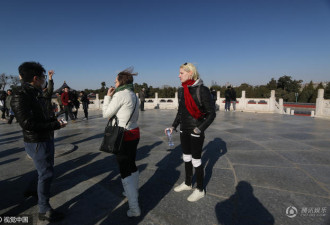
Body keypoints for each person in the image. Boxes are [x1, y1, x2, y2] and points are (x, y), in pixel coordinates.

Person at [11, 61, 66, 222]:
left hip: (45, 137)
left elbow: (41, 113)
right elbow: (27, 124)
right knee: (46, 173)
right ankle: (44, 209)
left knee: (43, 169)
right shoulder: (20, 95)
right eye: (43, 77)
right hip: (37, 141)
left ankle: (31, 189)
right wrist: (55, 124)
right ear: (35, 78)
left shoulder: (36, 92)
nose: (43, 79)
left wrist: (53, 120)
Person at [165, 63, 216, 202]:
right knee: (186, 158)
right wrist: (173, 126)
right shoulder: (182, 90)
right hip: (184, 129)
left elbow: (212, 114)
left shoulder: (202, 90)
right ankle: (188, 183)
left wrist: (199, 129)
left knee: (196, 160)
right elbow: (180, 111)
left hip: (196, 130)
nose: (178, 75)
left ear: (190, 73)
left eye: (181, 73)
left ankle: (200, 189)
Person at [102, 68, 141, 217]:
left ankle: (134, 207)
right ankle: (133, 191)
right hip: (134, 133)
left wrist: (107, 97)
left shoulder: (120, 95)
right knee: (131, 164)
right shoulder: (134, 95)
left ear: (121, 81)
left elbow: (106, 114)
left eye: (116, 80)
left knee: (124, 171)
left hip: (122, 136)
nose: (114, 82)